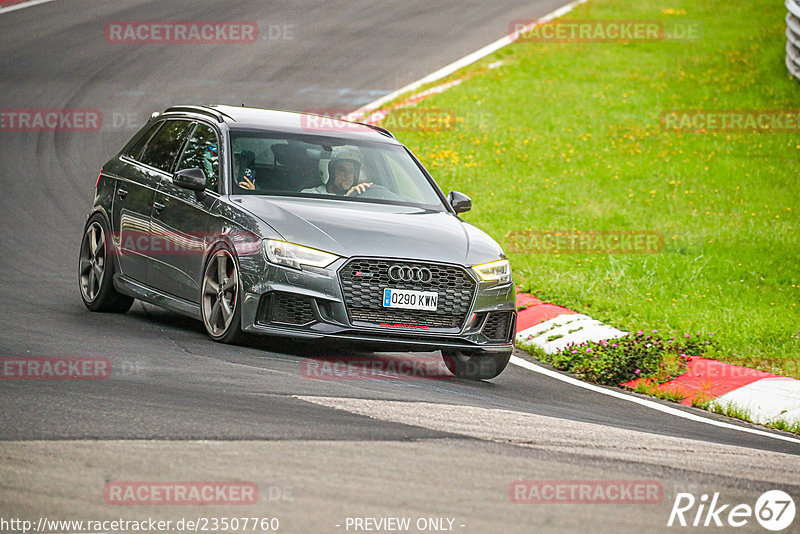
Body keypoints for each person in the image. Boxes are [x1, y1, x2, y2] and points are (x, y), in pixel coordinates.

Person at [302, 147, 372, 196]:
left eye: (351, 170)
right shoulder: (310, 194)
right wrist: (346, 198)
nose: (348, 175)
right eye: (342, 170)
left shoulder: (360, 195)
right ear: (329, 171)